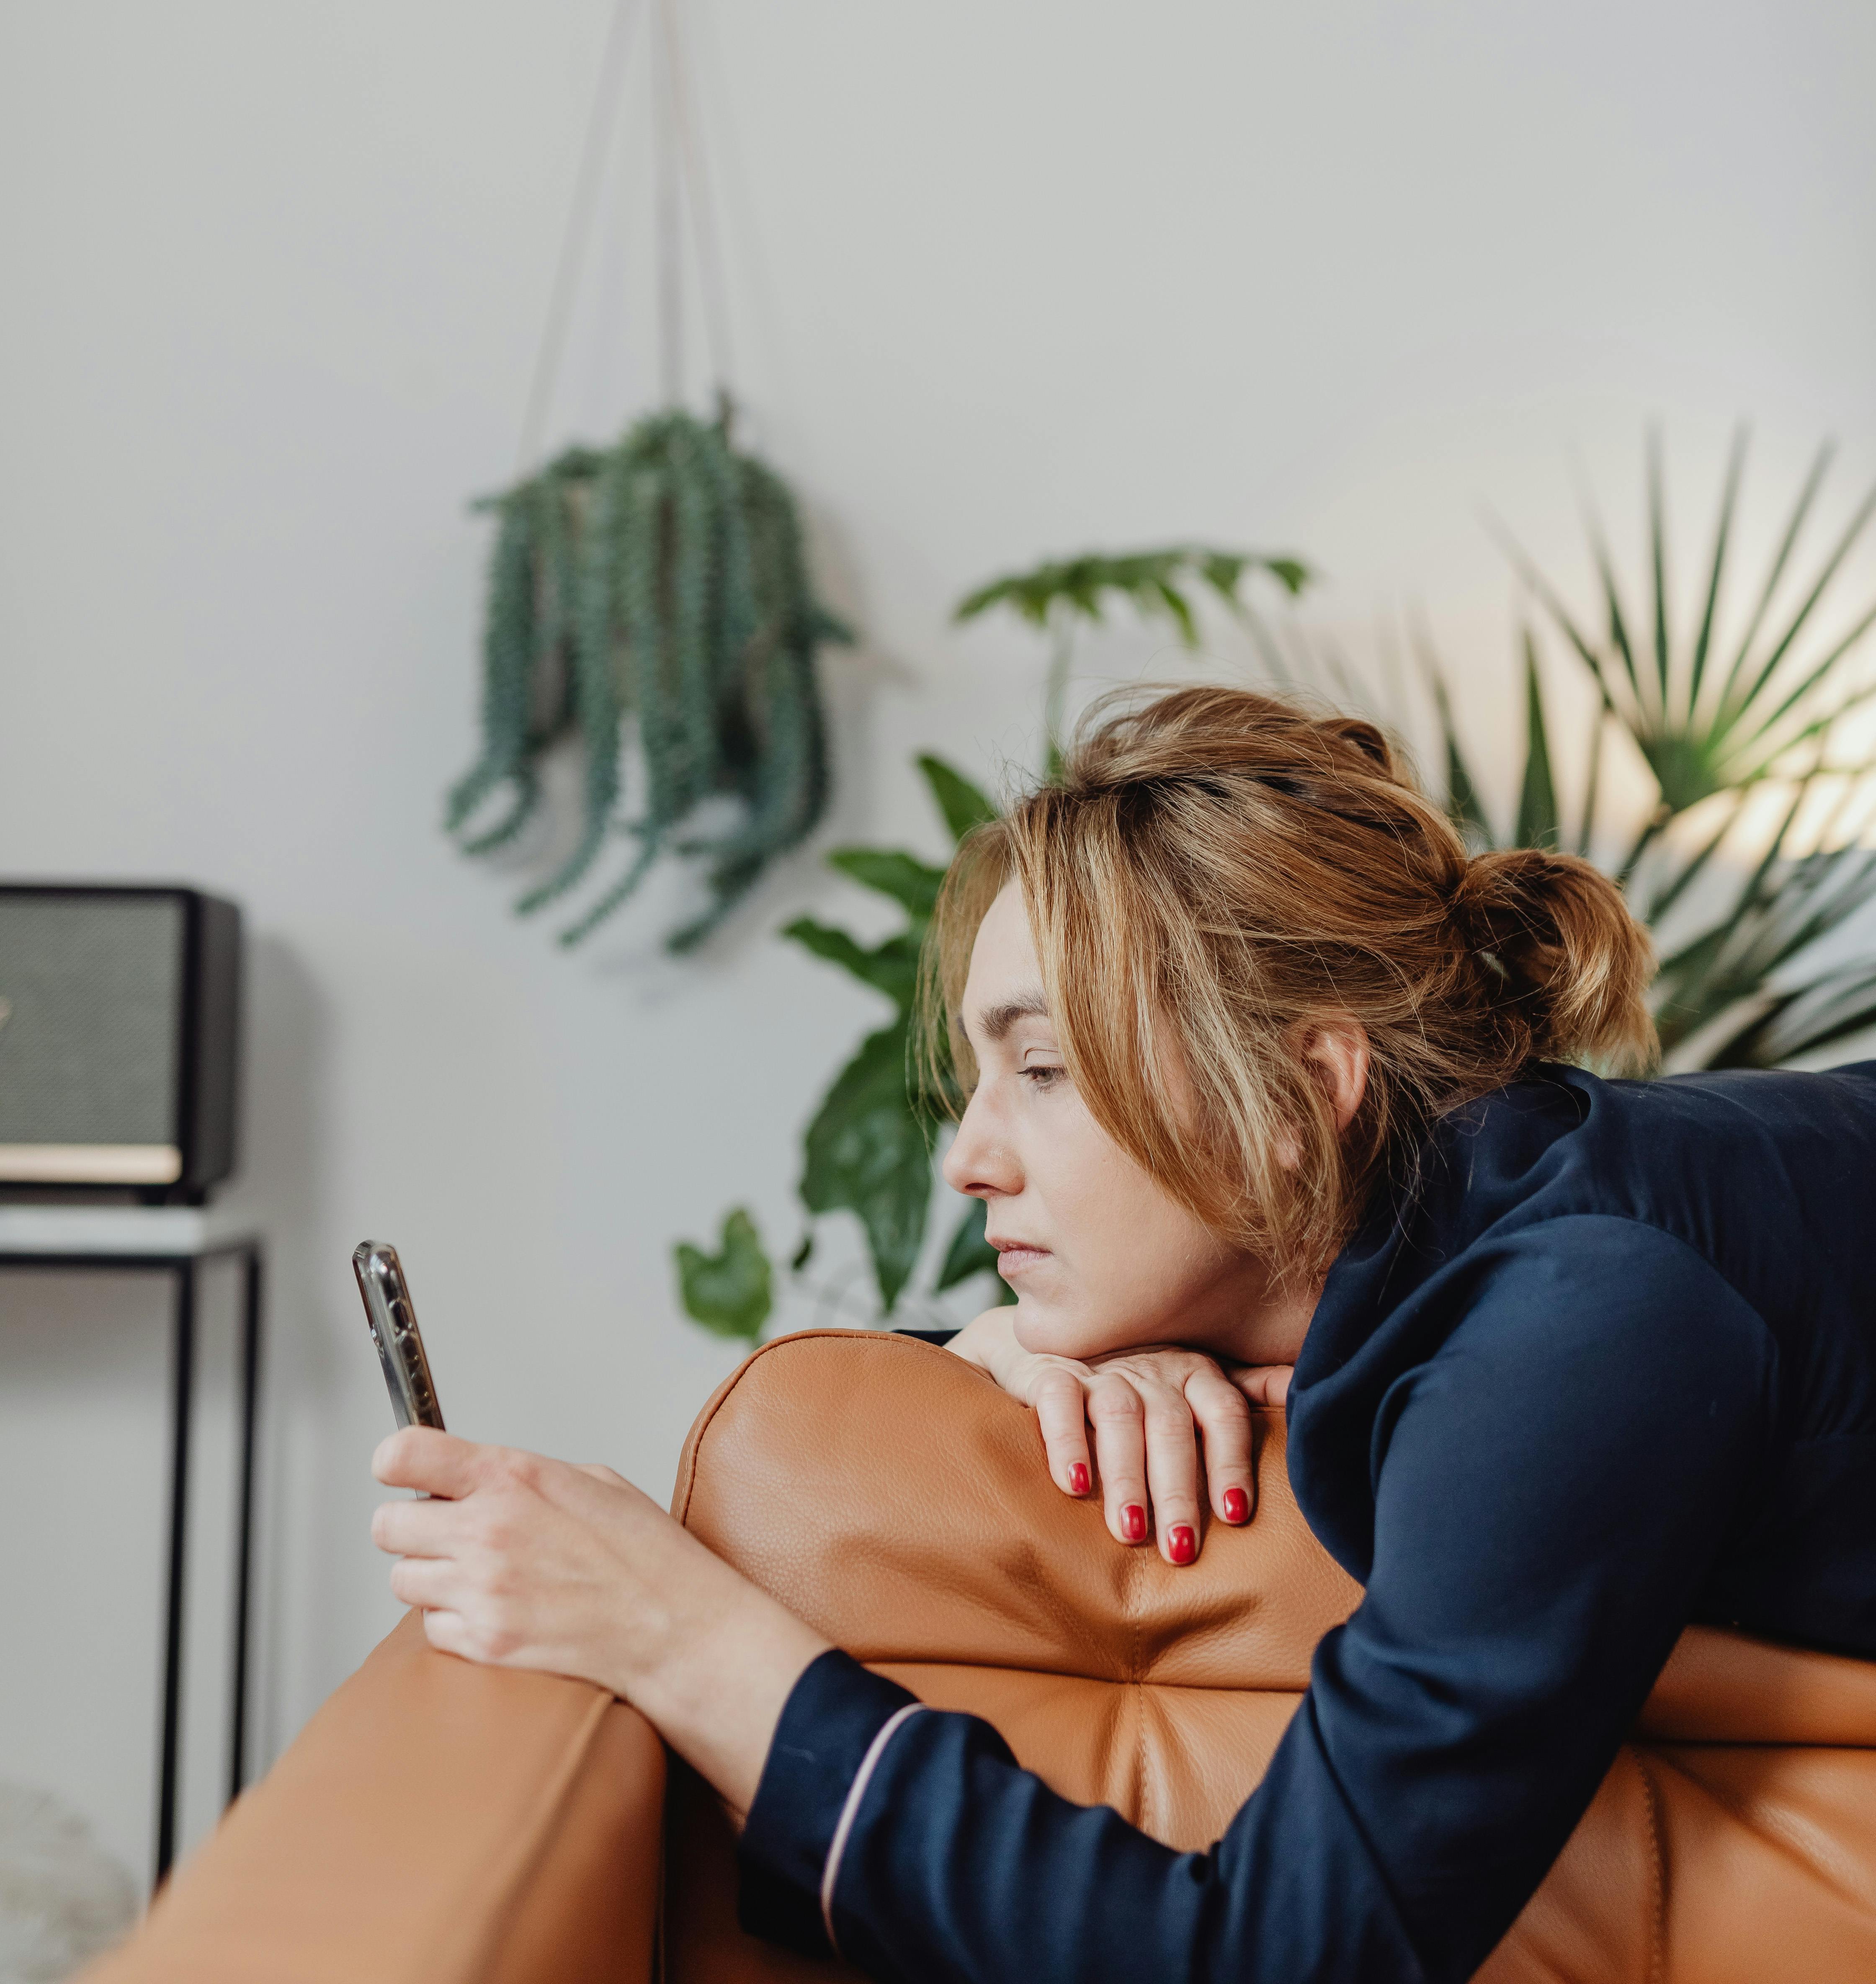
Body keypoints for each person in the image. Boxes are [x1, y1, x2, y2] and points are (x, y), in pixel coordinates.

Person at [371, 686, 1876, 1984]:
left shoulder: (1584, 1312)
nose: (969, 1159)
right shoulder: (1480, 1222)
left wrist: (682, 1636)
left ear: (1302, 1094)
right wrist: (1036, 1343)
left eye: (1043, 1069)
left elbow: (1277, 1958)